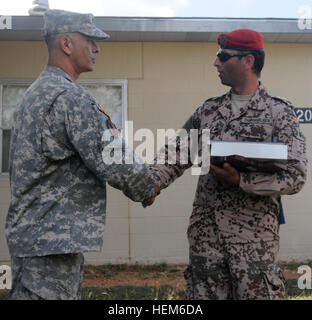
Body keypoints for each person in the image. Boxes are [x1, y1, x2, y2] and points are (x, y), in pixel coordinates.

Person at [5, 9, 158, 300]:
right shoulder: (69, 98)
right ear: (66, 44)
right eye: (89, 40)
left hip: (36, 241)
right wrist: (147, 186)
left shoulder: (34, 94)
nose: (97, 47)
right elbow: (110, 156)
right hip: (50, 248)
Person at [147, 29, 307, 300]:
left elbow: (295, 175)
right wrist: (150, 182)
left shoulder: (279, 112)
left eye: (223, 56)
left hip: (253, 246)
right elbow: (175, 153)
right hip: (206, 242)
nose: (216, 63)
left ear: (248, 61)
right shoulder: (207, 111)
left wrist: (241, 181)